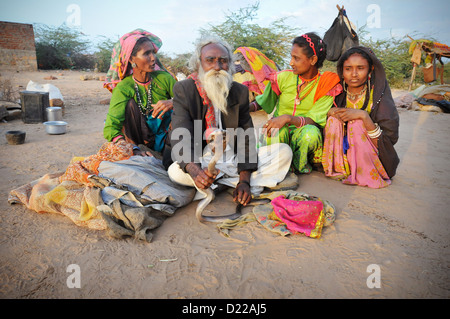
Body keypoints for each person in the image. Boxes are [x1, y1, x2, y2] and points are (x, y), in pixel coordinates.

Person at [165, 35, 292, 207]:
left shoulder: (239, 91)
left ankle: (222, 183)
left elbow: (245, 138)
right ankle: (222, 181)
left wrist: (245, 181)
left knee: (284, 152)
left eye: (223, 61)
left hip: (229, 158)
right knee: (175, 172)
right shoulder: (184, 89)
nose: (217, 67)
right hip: (200, 158)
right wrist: (196, 172)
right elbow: (181, 136)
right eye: (210, 60)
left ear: (230, 64)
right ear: (199, 64)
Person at [251, 32, 342, 174]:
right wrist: (244, 107)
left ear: (313, 60)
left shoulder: (326, 84)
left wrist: (287, 118)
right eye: (291, 57)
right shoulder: (283, 77)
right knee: (274, 130)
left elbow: (315, 120)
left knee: (310, 134)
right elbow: (263, 102)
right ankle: (274, 166)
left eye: (296, 58)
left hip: (303, 131)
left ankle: (298, 167)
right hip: (280, 129)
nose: (291, 62)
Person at [322, 46, 400, 188]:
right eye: (348, 68)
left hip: (372, 157)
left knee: (357, 123)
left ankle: (363, 172)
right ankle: (339, 168)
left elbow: (388, 139)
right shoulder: (336, 92)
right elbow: (317, 115)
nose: (354, 74)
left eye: (360, 68)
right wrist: (330, 112)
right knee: (333, 120)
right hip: (342, 154)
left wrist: (364, 116)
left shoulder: (378, 96)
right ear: (342, 70)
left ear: (370, 70)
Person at [103, 29, 176, 156]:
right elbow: (111, 127)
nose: (153, 58)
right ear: (131, 59)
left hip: (167, 139)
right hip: (138, 143)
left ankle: (169, 153)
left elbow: (189, 99)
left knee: (180, 109)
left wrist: (173, 102)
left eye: (153, 52)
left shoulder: (164, 78)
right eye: (146, 53)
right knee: (130, 105)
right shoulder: (124, 88)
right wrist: (131, 149)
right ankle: (140, 151)